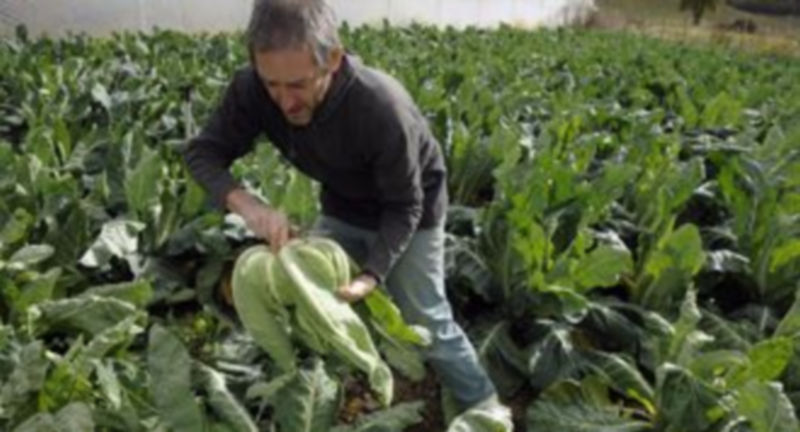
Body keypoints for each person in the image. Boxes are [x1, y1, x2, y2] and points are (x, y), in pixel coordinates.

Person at [182, 0, 511, 421]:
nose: (285, 101)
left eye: (298, 85)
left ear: (333, 59)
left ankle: (485, 407)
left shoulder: (379, 107)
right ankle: (337, 394)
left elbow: (404, 204)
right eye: (272, 85)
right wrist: (249, 206)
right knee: (315, 304)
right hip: (342, 202)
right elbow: (203, 153)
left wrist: (372, 275)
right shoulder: (251, 90)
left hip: (411, 207)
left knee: (423, 315)